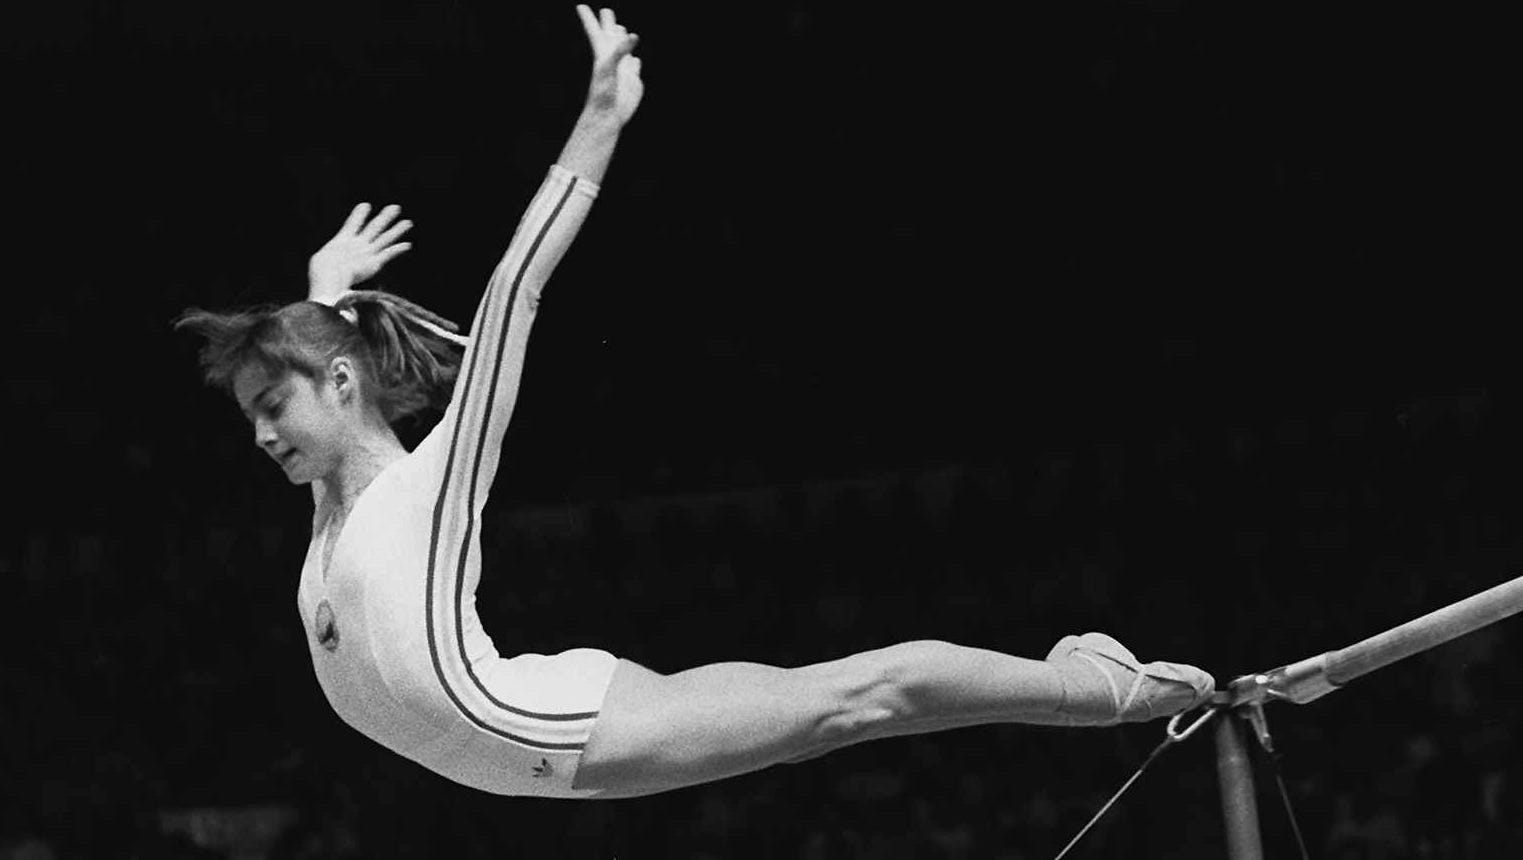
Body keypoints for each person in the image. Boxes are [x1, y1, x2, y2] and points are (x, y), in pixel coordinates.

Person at [176, 5, 1216, 801]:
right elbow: (321, 378)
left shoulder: (427, 487)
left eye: (273, 404)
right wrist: (319, 291)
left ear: (341, 382)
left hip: (555, 732)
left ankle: (1102, 690)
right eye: (251, 414)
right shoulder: (333, 500)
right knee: (840, 698)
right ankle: (1082, 678)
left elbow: (515, 288)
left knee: (862, 698)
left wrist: (594, 123)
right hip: (536, 718)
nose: (262, 435)